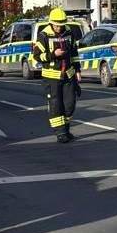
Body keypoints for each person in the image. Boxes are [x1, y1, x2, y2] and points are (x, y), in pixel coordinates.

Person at [34, 8, 80, 143]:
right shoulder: (44, 35)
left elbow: (74, 53)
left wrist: (77, 70)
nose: (59, 27)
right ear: (51, 23)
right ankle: (61, 132)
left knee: (70, 104)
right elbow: (37, 56)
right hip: (51, 77)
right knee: (56, 105)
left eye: (61, 25)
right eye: (56, 25)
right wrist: (53, 54)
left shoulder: (69, 33)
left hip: (68, 74)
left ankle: (66, 128)